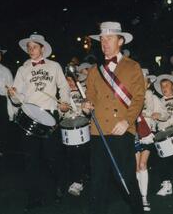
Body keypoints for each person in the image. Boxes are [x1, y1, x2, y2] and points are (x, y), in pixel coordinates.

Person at [83, 21, 145, 214]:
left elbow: (139, 98)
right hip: (98, 131)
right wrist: (86, 105)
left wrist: (127, 121)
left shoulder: (133, 67)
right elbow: (90, 97)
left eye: (109, 38)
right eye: (102, 39)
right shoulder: (94, 71)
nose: (104, 42)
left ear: (120, 41)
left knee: (126, 178)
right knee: (98, 180)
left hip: (122, 129)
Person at [7, 34, 70, 210]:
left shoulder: (54, 66)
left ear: (43, 49)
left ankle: (58, 186)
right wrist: (13, 95)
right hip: (29, 115)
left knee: (52, 157)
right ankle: (34, 197)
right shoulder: (23, 69)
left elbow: (63, 87)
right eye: (29, 47)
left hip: (50, 115)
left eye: (34, 47)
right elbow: (18, 98)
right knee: (31, 160)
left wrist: (64, 101)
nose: (31, 50)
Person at [135, 69, 165, 212]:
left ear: (148, 83)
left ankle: (144, 197)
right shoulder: (131, 97)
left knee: (142, 164)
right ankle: (138, 197)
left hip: (147, 133)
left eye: (144, 81)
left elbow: (164, 114)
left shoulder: (153, 98)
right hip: (133, 134)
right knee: (136, 167)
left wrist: (159, 114)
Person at [61, 75, 90, 197]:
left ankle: (83, 178)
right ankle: (77, 181)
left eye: (72, 80)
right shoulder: (63, 94)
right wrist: (62, 109)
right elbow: (60, 113)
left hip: (85, 125)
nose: (70, 83)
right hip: (69, 128)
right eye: (68, 81)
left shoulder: (84, 91)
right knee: (73, 155)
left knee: (86, 154)